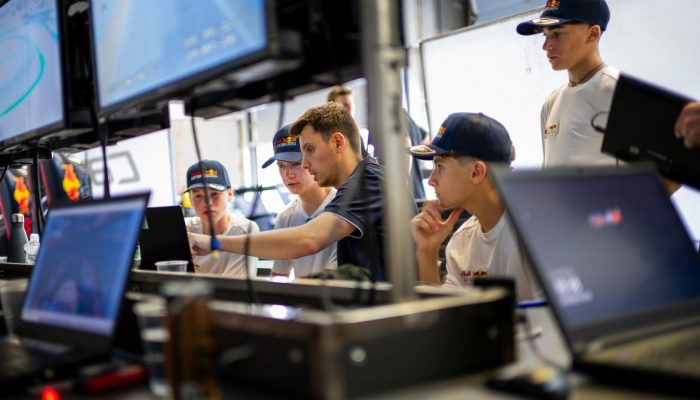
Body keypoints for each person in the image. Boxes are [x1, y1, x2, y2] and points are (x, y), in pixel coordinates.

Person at [190, 102, 415, 281]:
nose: (305, 164)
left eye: (309, 150)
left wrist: (215, 242)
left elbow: (308, 240)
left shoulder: (369, 180)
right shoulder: (357, 184)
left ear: (338, 143)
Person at [409, 112, 538, 300]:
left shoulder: (537, 232)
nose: (431, 181)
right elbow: (448, 320)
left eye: (440, 167)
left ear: (476, 172)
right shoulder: (461, 243)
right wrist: (427, 252)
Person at [517, 0, 618, 167]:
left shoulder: (616, 90)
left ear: (592, 34)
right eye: (545, 35)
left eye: (556, 34)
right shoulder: (551, 102)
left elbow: (664, 176)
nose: (545, 46)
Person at [262, 124, 338, 278]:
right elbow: (278, 277)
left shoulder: (340, 209)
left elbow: (333, 279)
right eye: (281, 166)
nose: (287, 174)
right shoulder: (285, 218)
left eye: (295, 164)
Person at [183, 160, 259, 277]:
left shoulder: (243, 231)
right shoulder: (184, 229)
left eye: (214, 194)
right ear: (190, 200)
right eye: (198, 196)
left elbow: (232, 288)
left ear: (229, 194)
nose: (207, 203)